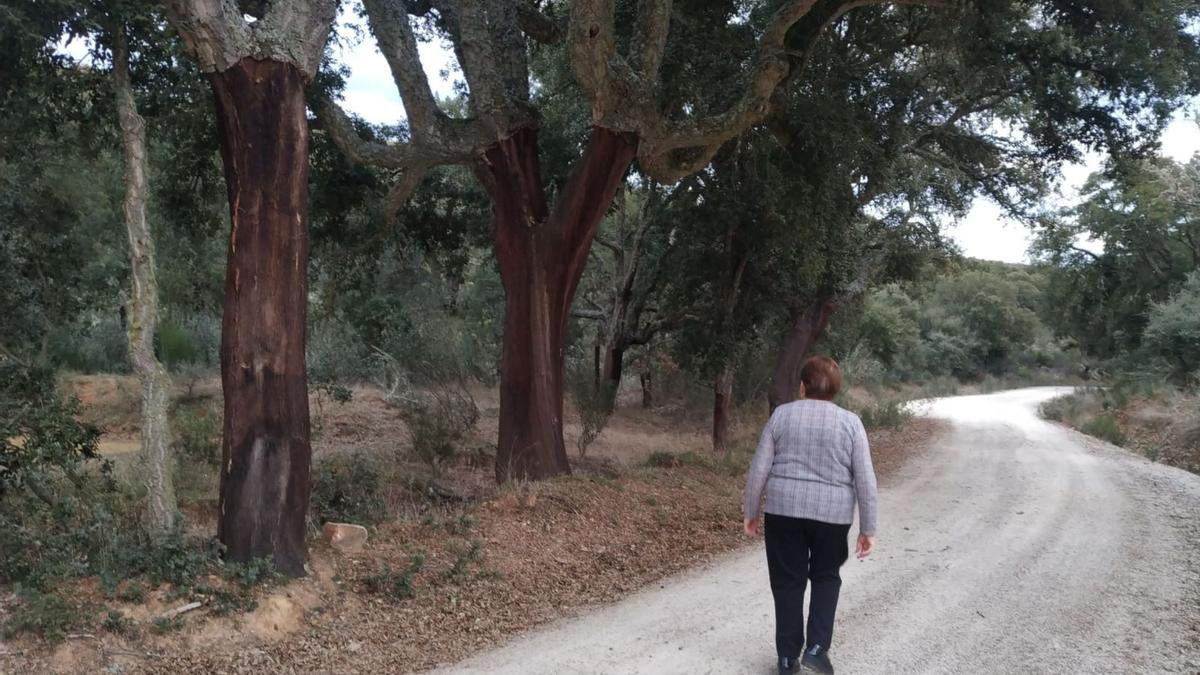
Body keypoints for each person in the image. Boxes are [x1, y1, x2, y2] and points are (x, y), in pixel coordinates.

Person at [743, 355, 878, 675]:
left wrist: (751, 510)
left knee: (787, 582)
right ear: (835, 389)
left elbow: (759, 468)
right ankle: (817, 648)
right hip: (832, 516)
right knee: (826, 576)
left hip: (784, 512)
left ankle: (788, 658)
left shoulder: (781, 416)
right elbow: (865, 479)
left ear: (802, 387)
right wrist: (868, 528)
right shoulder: (851, 423)